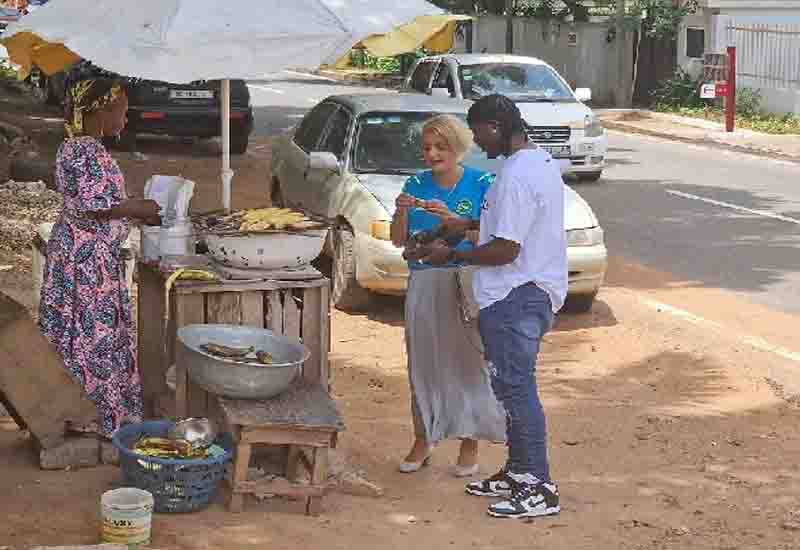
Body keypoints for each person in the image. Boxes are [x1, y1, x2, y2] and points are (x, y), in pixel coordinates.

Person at [424, 94, 567, 519]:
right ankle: (518, 472)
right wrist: (465, 226)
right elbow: (509, 227)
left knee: (517, 388)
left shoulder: (517, 177)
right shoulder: (537, 162)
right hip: (526, 290)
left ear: (494, 127)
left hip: (515, 295)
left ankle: (539, 486)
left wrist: (451, 255)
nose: (478, 144)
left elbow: (506, 249)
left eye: (478, 132)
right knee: (508, 387)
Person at [39, 78, 161, 439]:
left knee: (81, 334)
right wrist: (137, 207)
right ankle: (93, 416)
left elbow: (99, 204)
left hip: (82, 257)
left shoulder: (77, 147)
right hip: (85, 263)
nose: (126, 119)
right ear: (101, 111)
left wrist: (131, 211)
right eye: (122, 112)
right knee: (93, 336)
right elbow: (97, 206)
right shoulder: (85, 151)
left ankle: (81, 412)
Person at [390, 114, 505, 477]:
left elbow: (489, 239)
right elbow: (397, 239)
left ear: (458, 147)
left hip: (466, 281)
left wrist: (454, 218)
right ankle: (424, 438)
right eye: (426, 148)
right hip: (424, 281)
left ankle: (469, 442)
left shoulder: (482, 183)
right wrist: (401, 211)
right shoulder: (415, 183)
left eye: (441, 146)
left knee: (469, 362)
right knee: (423, 363)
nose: (432, 154)